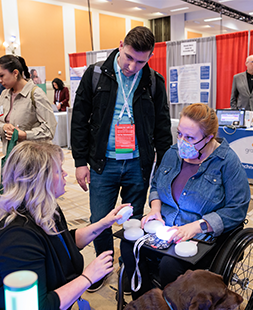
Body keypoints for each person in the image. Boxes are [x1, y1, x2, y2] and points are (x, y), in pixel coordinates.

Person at [71, 26, 172, 291]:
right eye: (128, 57)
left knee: (134, 220)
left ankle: (130, 267)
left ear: (150, 56)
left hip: (138, 164)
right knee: (100, 219)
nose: (132, 65)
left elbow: (162, 127)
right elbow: (79, 120)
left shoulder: (154, 81)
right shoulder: (95, 75)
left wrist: (164, 168)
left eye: (141, 60)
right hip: (103, 163)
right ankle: (103, 267)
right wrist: (80, 161)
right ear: (120, 45)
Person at [0, 141, 130, 310]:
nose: (65, 174)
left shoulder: (46, 208)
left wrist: (104, 223)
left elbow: (65, 243)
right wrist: (88, 277)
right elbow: (37, 306)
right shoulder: (17, 238)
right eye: (59, 170)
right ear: (39, 179)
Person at [121, 103, 251, 300]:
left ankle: (168, 303)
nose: (182, 141)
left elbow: (237, 208)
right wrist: (155, 209)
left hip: (201, 237)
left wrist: (197, 226)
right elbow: (156, 184)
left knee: (170, 265)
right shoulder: (173, 153)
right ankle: (144, 299)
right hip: (166, 227)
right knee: (128, 245)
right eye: (180, 134)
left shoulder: (227, 162)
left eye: (189, 137)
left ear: (209, 138)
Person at [0, 55, 57, 155]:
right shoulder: (4, 95)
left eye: (1, 75)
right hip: (11, 156)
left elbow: (49, 130)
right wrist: (4, 127)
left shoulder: (36, 94)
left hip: (33, 158)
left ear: (15, 73)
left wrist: (25, 135)